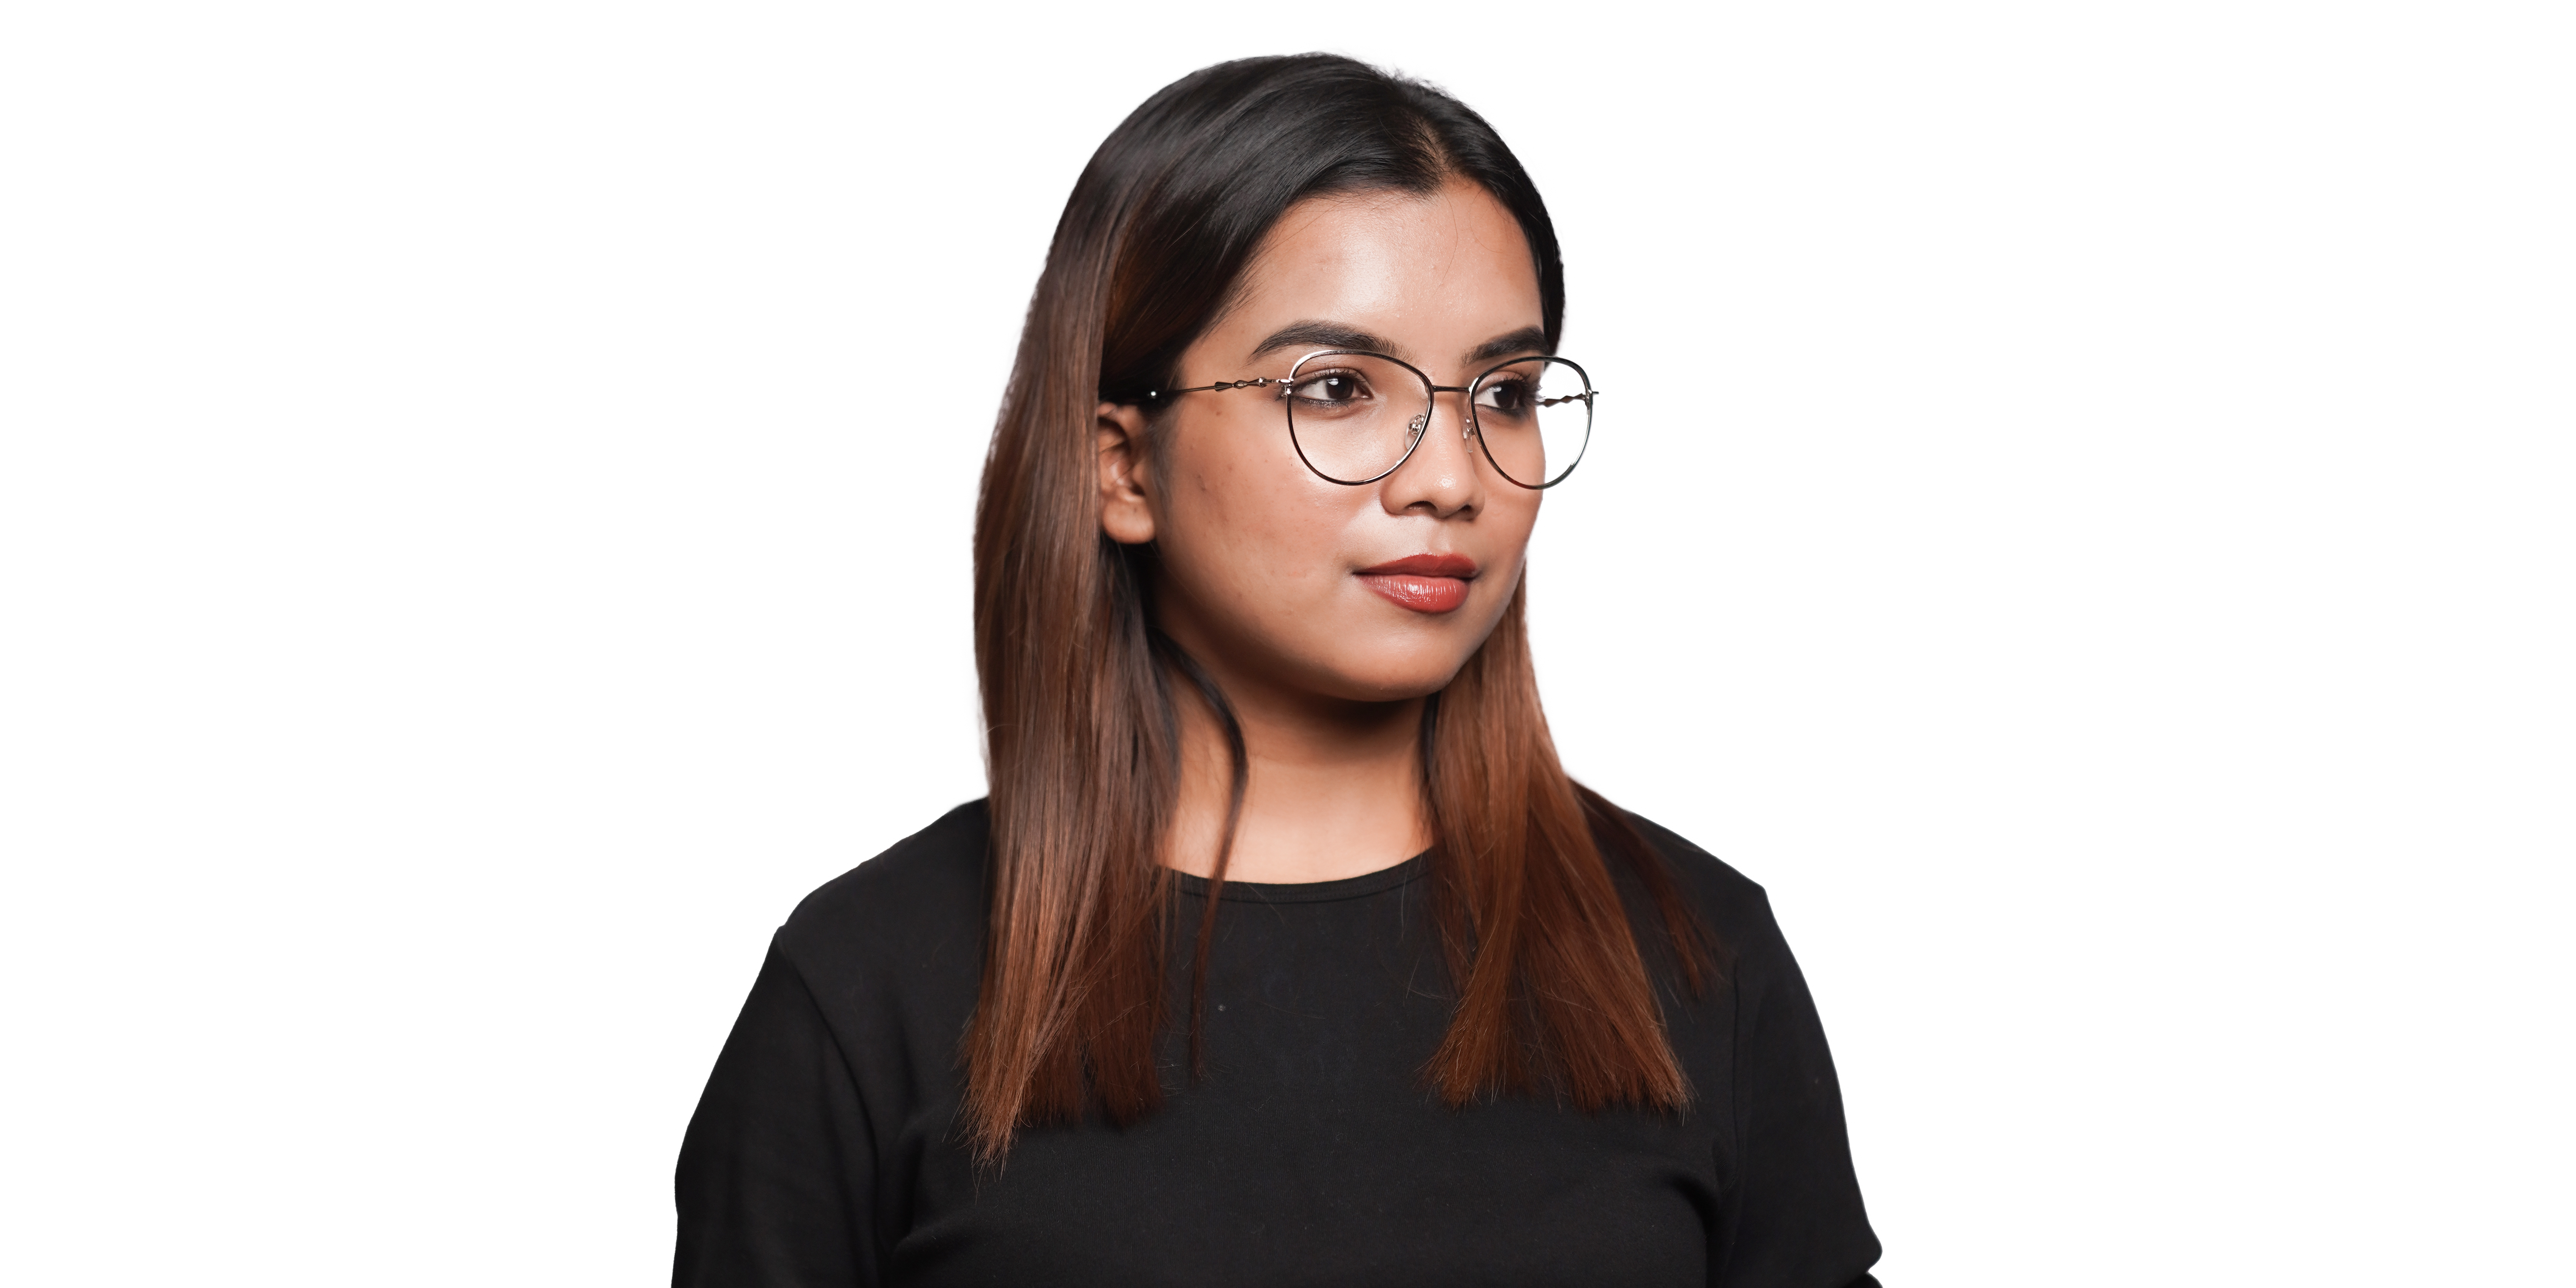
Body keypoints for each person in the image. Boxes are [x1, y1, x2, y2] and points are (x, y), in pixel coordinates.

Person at [675, 54, 1880, 1287]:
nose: (1450, 477)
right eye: (1338, 388)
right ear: (1122, 466)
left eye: (1505, 394)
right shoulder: (865, 992)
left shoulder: (1696, 958)